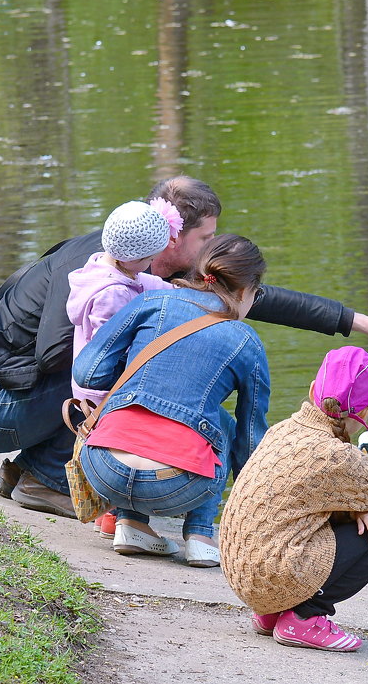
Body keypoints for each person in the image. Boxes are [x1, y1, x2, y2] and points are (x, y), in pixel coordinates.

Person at [0, 176, 368, 519]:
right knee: (130, 376)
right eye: (207, 238)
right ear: (174, 236)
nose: (212, 248)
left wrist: (360, 322)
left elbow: (245, 297)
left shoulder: (138, 267)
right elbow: (56, 357)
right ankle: (46, 479)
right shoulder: (96, 270)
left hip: (20, 399)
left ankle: (33, 470)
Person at [73, 234, 269, 567]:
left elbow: (87, 374)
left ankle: (131, 524)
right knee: (224, 422)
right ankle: (201, 535)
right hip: (176, 486)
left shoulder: (152, 302)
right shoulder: (245, 341)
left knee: (139, 411)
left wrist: (138, 385)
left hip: (102, 469)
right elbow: (250, 443)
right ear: (243, 291)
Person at [219, 346, 368, 652]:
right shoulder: (335, 454)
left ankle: (273, 613)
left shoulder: (282, 430)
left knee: (313, 516)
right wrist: (365, 505)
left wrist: (358, 505)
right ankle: (305, 617)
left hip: (243, 576)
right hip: (273, 577)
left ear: (311, 390)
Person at [66, 198, 179, 405]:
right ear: (131, 259)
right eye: (150, 259)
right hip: (102, 393)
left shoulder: (103, 267)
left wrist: (180, 292)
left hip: (100, 386)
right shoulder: (113, 293)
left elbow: (148, 283)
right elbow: (109, 347)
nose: (151, 264)